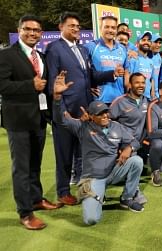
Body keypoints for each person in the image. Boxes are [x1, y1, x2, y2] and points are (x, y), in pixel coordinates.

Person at [53, 73, 145, 225]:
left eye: (105, 112)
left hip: (114, 171)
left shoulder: (116, 126)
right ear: (90, 116)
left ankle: (127, 198)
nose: (104, 116)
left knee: (136, 161)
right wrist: (57, 97)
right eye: (99, 114)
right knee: (91, 219)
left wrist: (129, 148)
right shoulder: (82, 127)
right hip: (94, 177)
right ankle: (95, 195)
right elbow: (60, 119)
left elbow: (135, 141)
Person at [0, 14, 62, 230]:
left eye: (36, 30)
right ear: (20, 30)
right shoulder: (6, 55)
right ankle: (25, 212)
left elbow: (42, 87)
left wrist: (54, 92)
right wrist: (29, 85)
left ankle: (36, 199)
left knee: (35, 164)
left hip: (38, 119)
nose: (32, 33)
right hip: (17, 121)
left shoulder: (41, 56)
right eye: (28, 29)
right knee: (22, 168)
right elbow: (3, 86)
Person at [46, 11, 93, 205]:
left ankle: (82, 186)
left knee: (82, 153)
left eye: (78, 26)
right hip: (65, 112)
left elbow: (89, 77)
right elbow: (53, 83)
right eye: (71, 25)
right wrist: (61, 108)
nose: (76, 29)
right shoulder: (53, 48)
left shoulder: (82, 50)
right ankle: (63, 192)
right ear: (61, 27)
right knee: (64, 154)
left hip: (84, 111)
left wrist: (110, 74)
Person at [109, 73, 149, 205]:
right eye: (137, 83)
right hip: (121, 144)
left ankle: (131, 189)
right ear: (130, 85)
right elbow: (107, 123)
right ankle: (133, 190)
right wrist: (120, 144)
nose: (140, 85)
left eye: (143, 82)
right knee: (133, 156)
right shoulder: (119, 102)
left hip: (138, 143)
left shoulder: (146, 101)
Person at [85, 16, 128, 104]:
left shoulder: (123, 49)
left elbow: (127, 73)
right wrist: (86, 87)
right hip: (99, 100)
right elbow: (82, 71)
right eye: (107, 27)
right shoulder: (90, 47)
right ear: (101, 28)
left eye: (113, 27)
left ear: (116, 30)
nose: (110, 30)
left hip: (119, 99)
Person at [126, 32, 154, 100]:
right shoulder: (133, 59)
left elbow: (151, 79)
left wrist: (152, 93)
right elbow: (128, 78)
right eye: (143, 40)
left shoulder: (151, 61)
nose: (146, 42)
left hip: (147, 98)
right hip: (134, 97)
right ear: (138, 43)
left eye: (148, 40)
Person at [149, 33, 162, 98]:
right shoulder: (145, 56)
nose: (158, 45)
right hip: (147, 93)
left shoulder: (158, 56)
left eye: (160, 43)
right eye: (155, 42)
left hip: (156, 93)